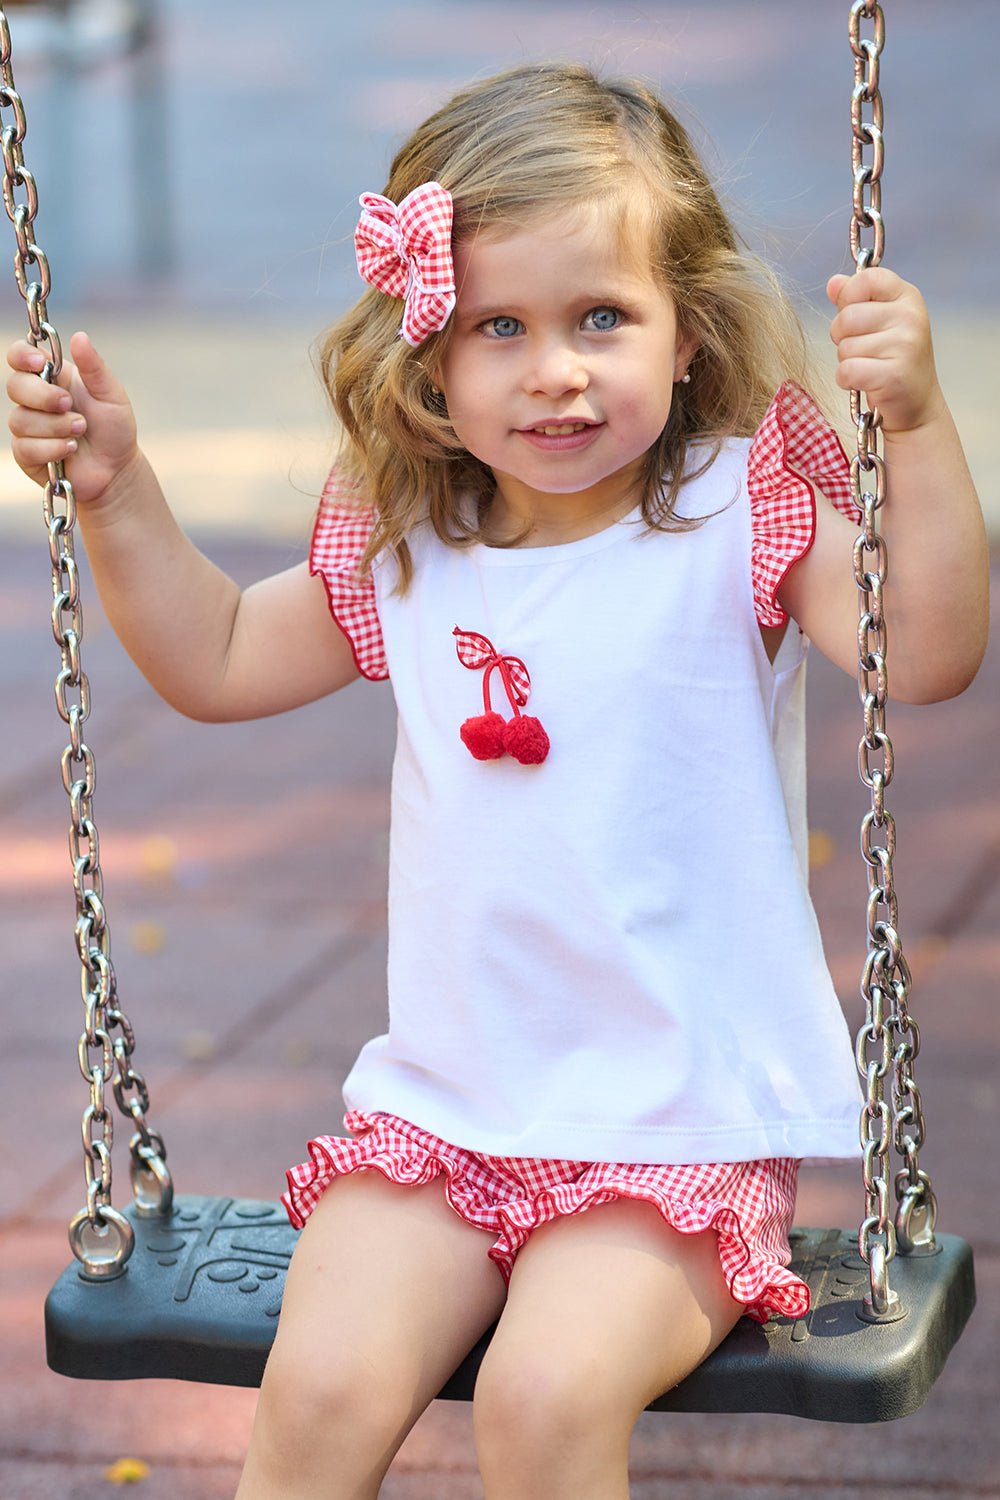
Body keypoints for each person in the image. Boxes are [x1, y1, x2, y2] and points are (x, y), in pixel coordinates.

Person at [7, 60, 988, 1500]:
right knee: (322, 1388)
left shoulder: (738, 508)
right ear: (428, 357)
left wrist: (919, 428)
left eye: (603, 317)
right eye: (496, 328)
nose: (556, 369)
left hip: (675, 1135)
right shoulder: (413, 541)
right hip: (450, 1116)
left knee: (541, 1401)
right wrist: (116, 491)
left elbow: (931, 651)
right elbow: (215, 655)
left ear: (686, 327)